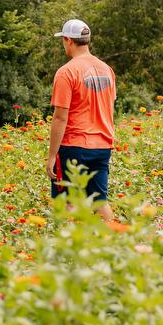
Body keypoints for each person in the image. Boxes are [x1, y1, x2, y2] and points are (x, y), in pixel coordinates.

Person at [45, 19, 116, 222]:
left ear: (68, 40)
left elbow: (60, 117)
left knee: (66, 202)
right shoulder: (107, 70)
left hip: (74, 146)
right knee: (99, 201)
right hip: (102, 146)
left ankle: (69, 249)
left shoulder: (66, 72)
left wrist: (51, 156)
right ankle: (115, 244)